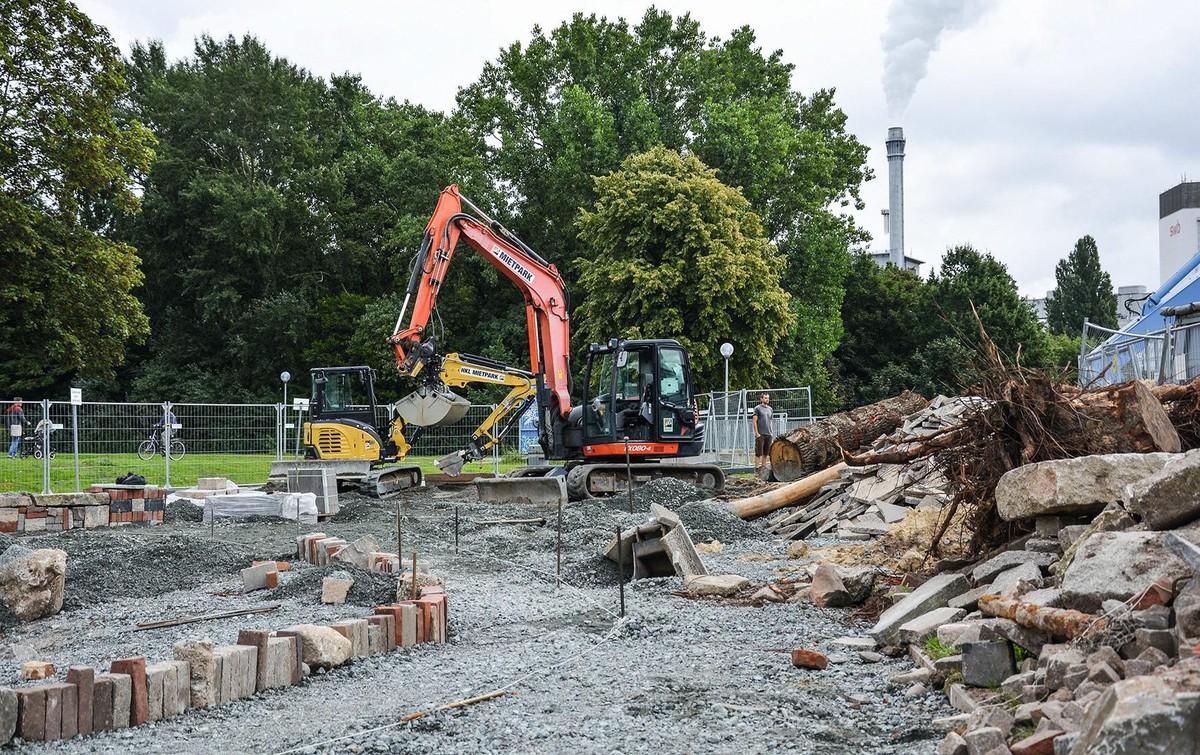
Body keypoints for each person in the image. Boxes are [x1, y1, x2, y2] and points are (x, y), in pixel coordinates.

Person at [749, 393, 773, 477]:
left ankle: (763, 470)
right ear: (761, 399)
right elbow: (754, 421)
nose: (767, 399)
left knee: (766, 453)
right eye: (765, 398)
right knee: (759, 453)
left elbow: (770, 421)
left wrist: (771, 433)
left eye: (768, 398)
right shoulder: (757, 408)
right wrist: (757, 433)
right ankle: (756, 470)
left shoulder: (770, 409)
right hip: (760, 434)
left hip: (768, 434)